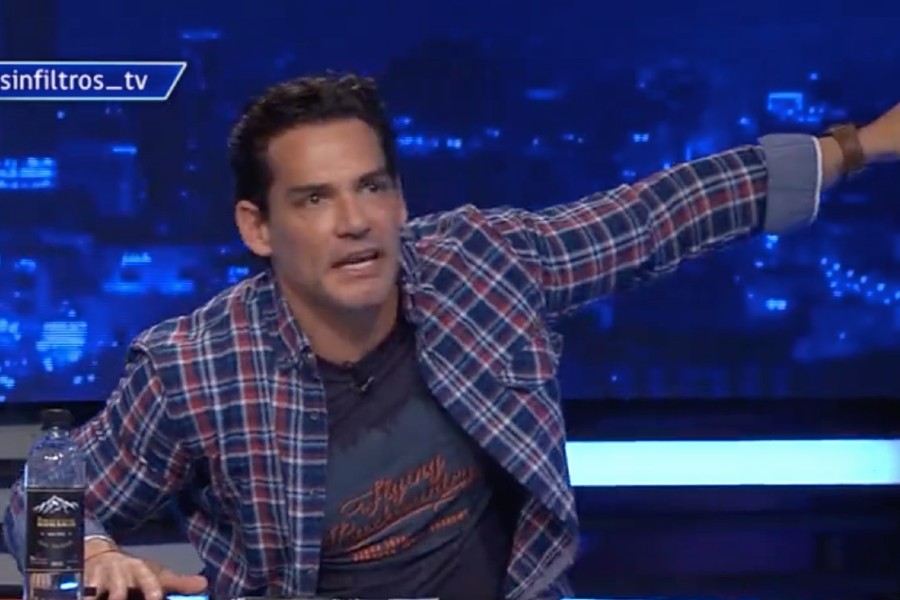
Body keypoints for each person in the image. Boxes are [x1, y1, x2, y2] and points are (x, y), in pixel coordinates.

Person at [4, 73, 899, 600]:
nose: (355, 221)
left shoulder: (482, 267)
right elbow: (39, 501)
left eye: (372, 187)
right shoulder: (196, 366)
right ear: (258, 228)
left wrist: (859, 146)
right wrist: (93, 554)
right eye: (314, 199)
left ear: (400, 198)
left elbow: (662, 215)